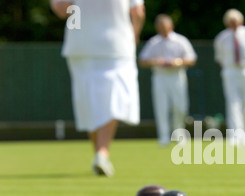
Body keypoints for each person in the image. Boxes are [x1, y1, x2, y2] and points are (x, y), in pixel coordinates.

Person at [50, 0, 146, 176]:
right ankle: (102, 152)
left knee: (89, 100)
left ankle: (99, 154)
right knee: (113, 98)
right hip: (116, 43)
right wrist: (134, 35)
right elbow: (138, 12)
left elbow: (61, 8)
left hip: (80, 44)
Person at [139, 14, 197, 146]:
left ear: (171, 26)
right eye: (160, 27)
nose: (163, 29)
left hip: (177, 76)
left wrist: (178, 62)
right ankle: (163, 137)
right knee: (161, 107)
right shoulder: (153, 42)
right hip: (160, 77)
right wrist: (155, 61)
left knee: (180, 106)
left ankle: (179, 134)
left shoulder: (181, 40)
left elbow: (191, 58)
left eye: (165, 26)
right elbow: (143, 60)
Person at [214, 9, 245, 144]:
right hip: (231, 72)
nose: (234, 24)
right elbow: (219, 58)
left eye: (236, 21)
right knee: (233, 103)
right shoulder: (221, 38)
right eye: (231, 21)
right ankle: (236, 135)